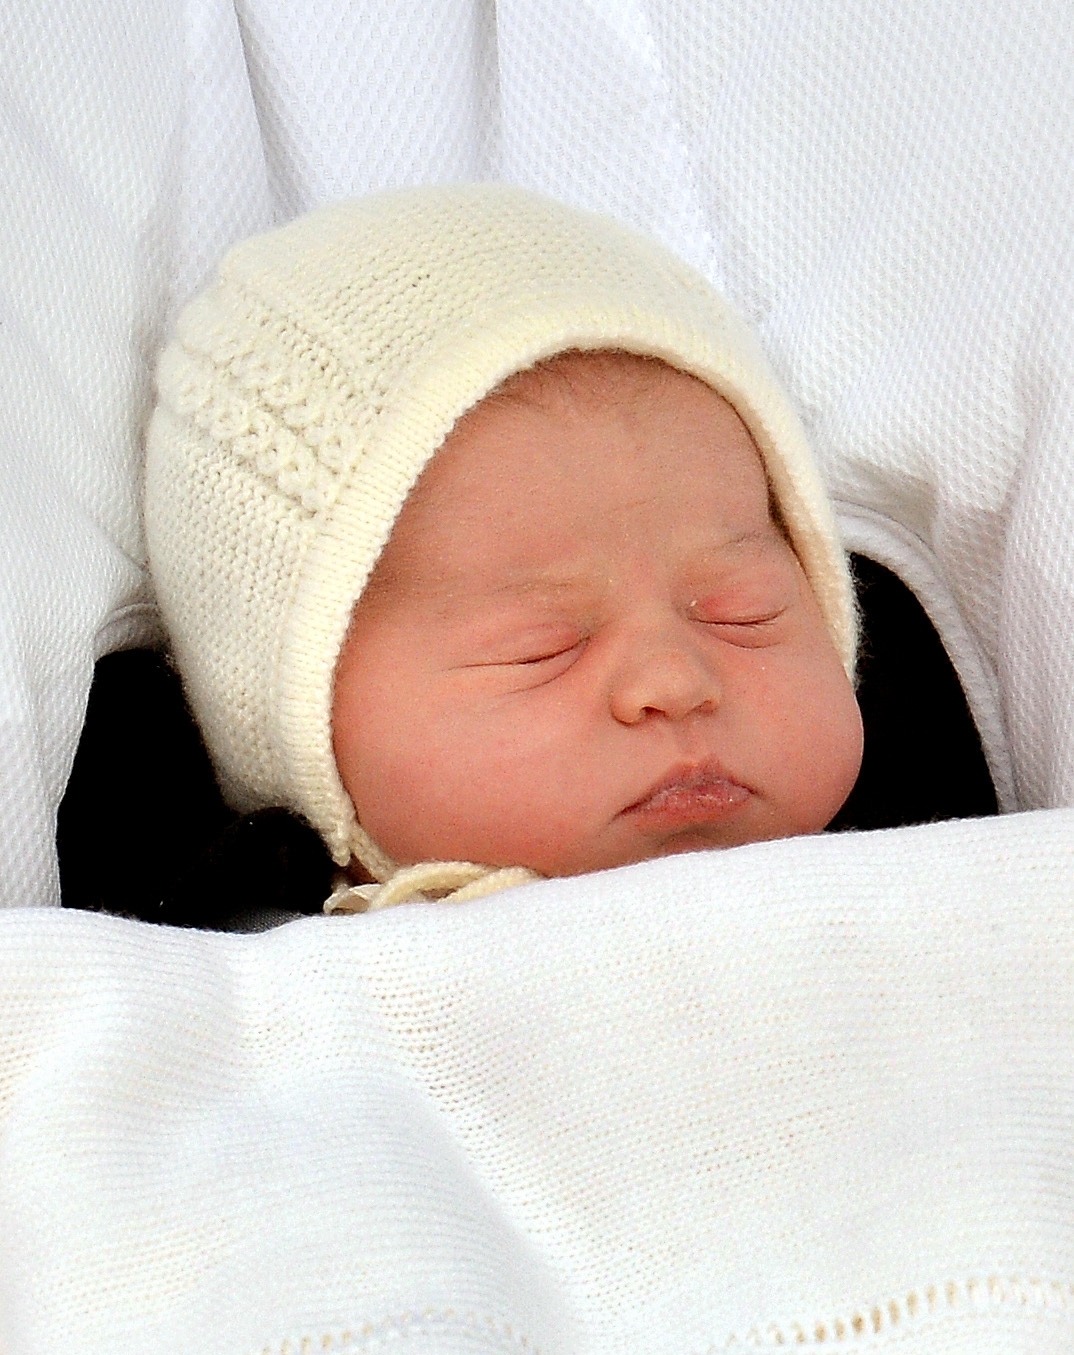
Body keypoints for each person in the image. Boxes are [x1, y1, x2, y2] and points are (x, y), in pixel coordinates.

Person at [145, 183, 863, 913]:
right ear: (303, 732)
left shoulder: (949, 870)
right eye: (541, 648)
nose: (675, 683)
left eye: (744, 612)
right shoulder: (239, 995)